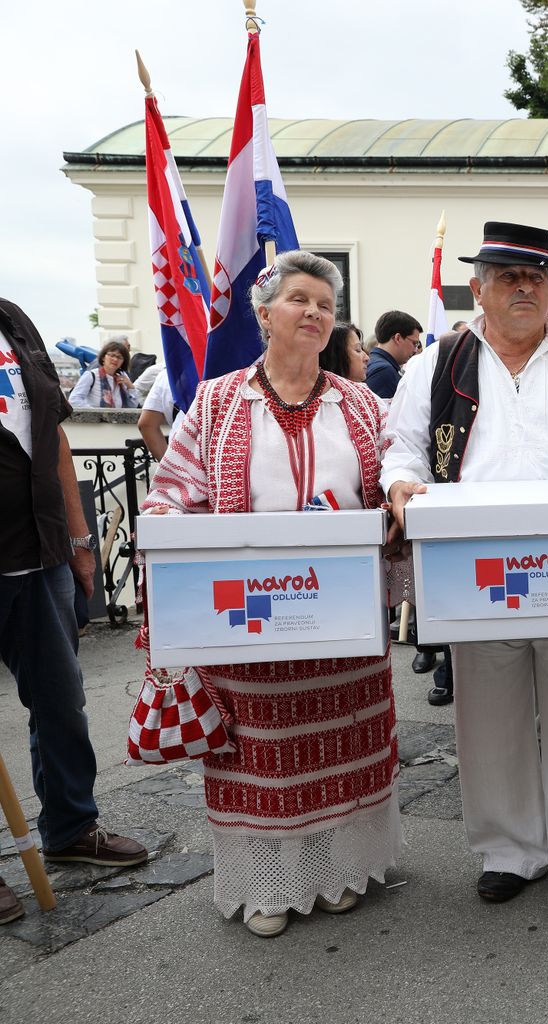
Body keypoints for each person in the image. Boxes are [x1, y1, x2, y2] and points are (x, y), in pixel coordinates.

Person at [383, 222, 548, 930]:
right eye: (509, 277)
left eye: (538, 276)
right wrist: (402, 485)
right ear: (478, 290)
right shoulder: (436, 363)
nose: (526, 288)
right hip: (473, 570)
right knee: (487, 718)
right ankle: (509, 852)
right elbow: (403, 449)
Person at [141, 252, 398, 938]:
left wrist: (395, 513)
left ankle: (336, 874)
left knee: (340, 745)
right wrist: (168, 531)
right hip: (247, 619)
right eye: (299, 300)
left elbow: (395, 487)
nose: (314, 313)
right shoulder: (215, 402)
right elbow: (171, 493)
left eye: (325, 305)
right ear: (263, 314)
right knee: (260, 755)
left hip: (341, 620)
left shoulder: (363, 405)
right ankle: (268, 887)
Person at [0, 298, 149, 926]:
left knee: (61, 699)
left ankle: (70, 827)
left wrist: (81, 541)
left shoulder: (11, 321)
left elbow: (53, 436)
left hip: (40, 553)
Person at [68, 337, 139, 409]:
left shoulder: (122, 377)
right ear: (103, 357)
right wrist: (96, 413)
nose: (115, 359)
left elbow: (132, 406)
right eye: (112, 355)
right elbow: (74, 399)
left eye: (119, 357)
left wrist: (130, 386)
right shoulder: (91, 375)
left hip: (119, 416)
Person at [365, 311, 422, 400]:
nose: (415, 350)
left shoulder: (375, 363)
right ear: (398, 338)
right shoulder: (384, 371)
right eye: (414, 343)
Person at [137, 368, 181, 461]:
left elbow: (147, 424)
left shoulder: (166, 375)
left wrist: (167, 465)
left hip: (182, 455)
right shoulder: (214, 371)